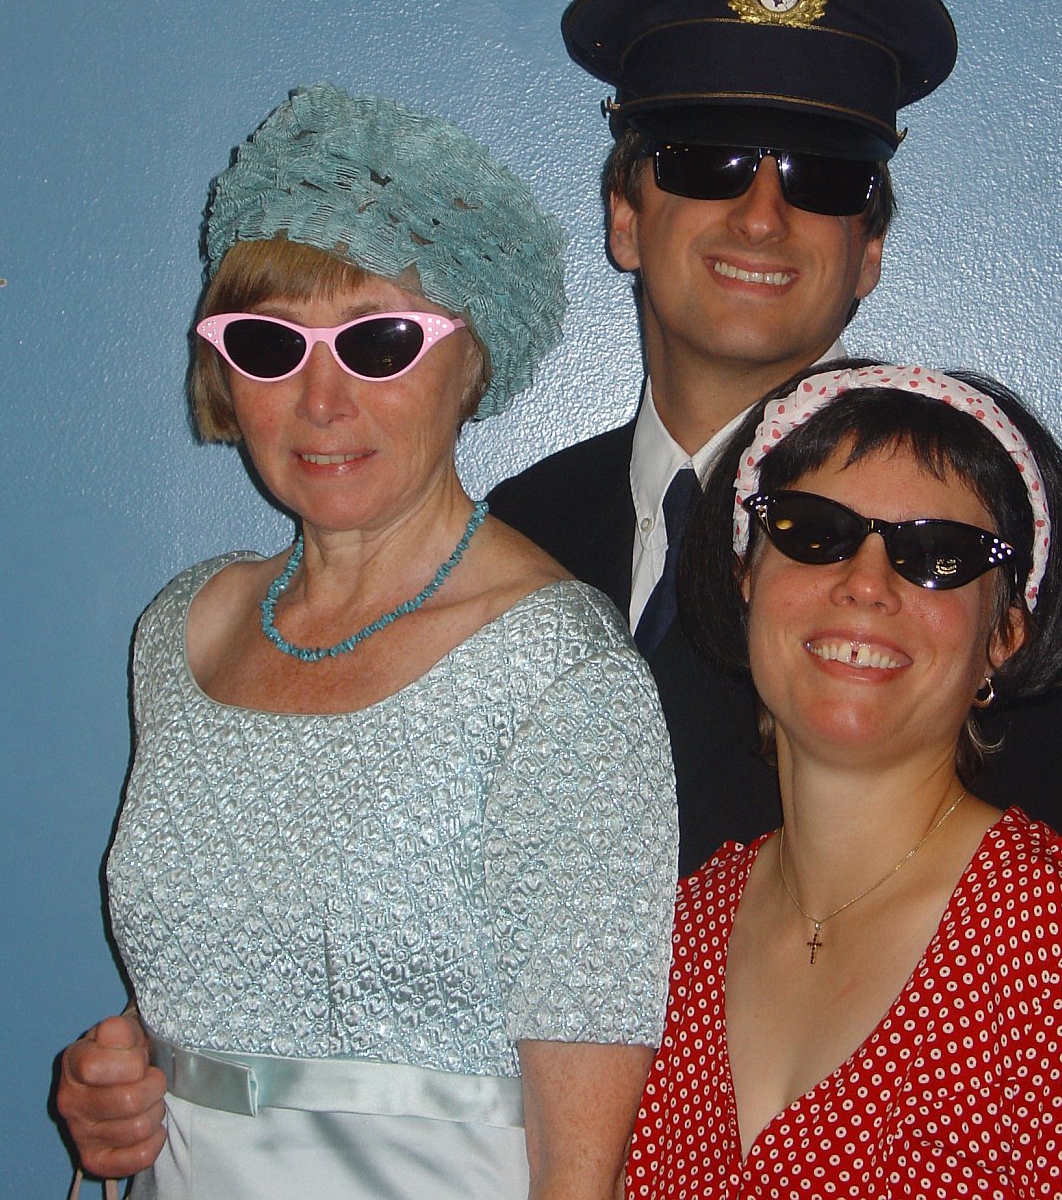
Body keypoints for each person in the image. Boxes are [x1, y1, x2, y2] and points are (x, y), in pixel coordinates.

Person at [488, 0, 1062, 966]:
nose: (762, 217)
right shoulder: (520, 526)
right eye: (706, 160)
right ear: (624, 217)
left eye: (823, 176)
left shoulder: (964, 535)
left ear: (870, 252)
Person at [55, 83, 678, 1199]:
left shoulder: (564, 676)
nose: (320, 401)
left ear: (473, 360)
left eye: (380, 341)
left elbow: (583, 1158)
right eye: (267, 343)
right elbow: (223, 991)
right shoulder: (183, 633)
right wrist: (126, 1080)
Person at [625, 360, 1062, 1198]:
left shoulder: (1061, 956)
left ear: (1002, 635)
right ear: (747, 580)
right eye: (812, 531)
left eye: (937, 555)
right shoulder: (670, 937)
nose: (865, 583)